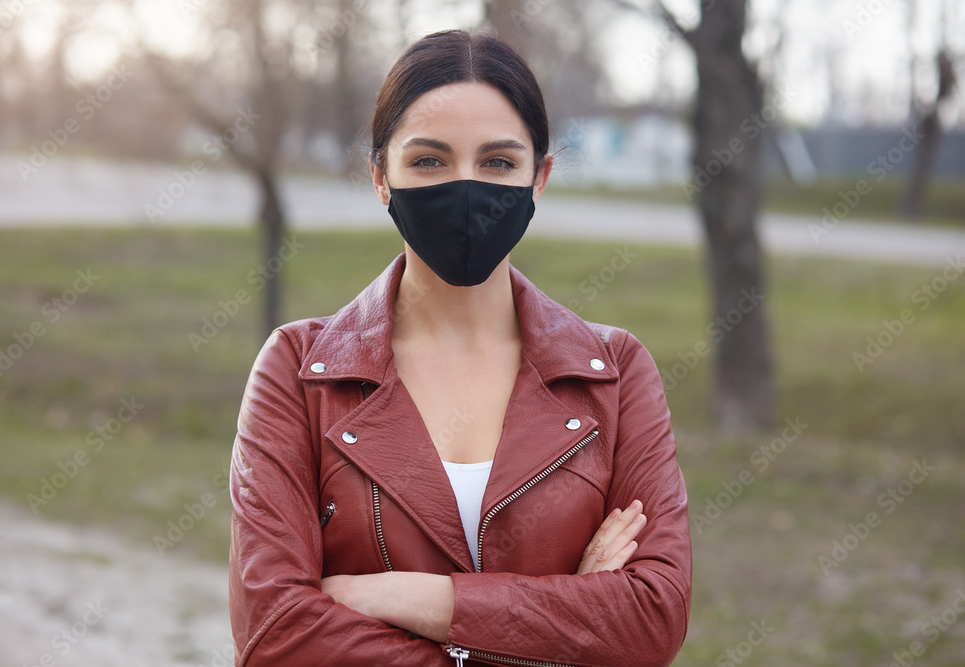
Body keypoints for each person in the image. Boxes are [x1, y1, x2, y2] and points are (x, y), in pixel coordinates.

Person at [228, 29, 691, 667]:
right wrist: (557, 628)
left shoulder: (614, 373)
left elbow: (651, 619)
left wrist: (418, 599)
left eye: (498, 162)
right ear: (379, 177)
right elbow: (277, 634)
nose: (465, 188)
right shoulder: (298, 371)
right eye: (429, 161)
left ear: (539, 178)